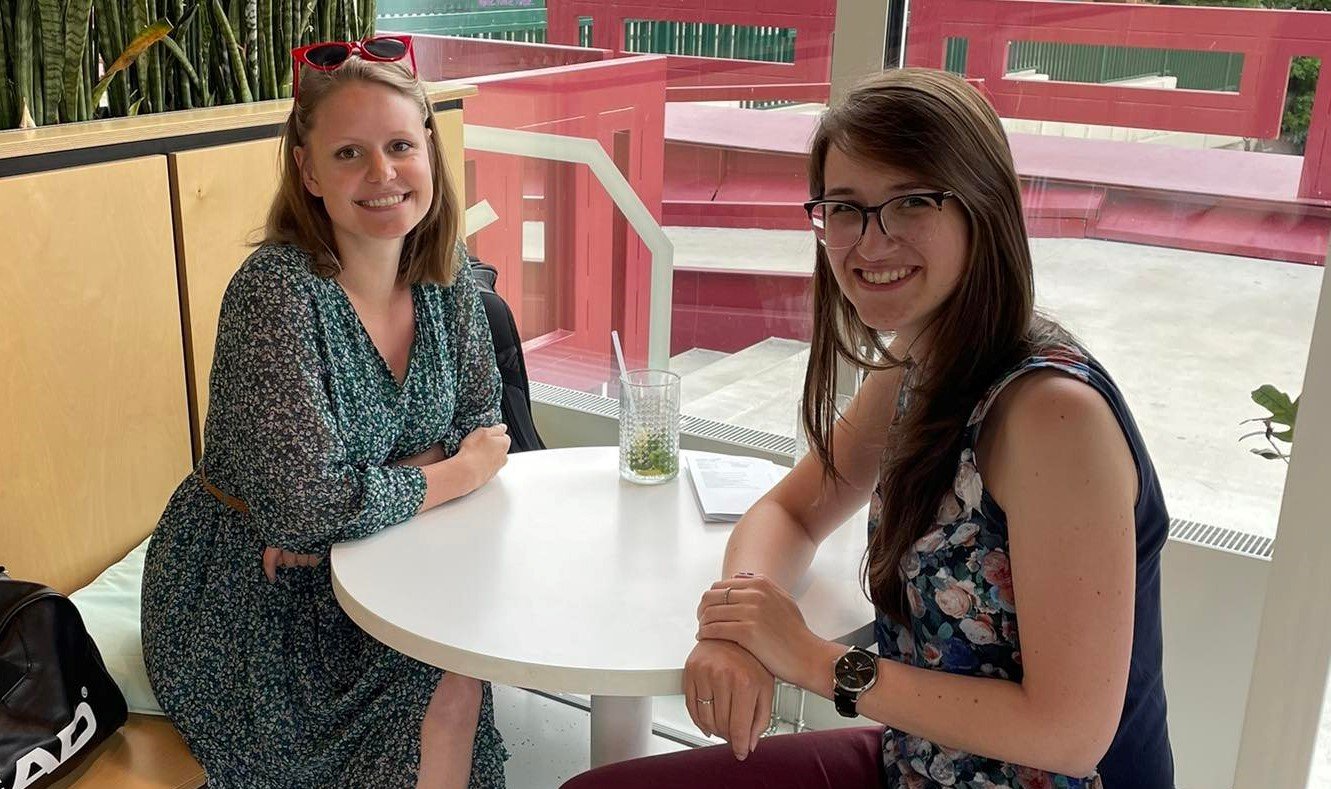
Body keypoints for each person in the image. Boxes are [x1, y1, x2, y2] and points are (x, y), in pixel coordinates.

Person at [562, 68, 1174, 789]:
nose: (869, 242)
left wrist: (809, 658)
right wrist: (741, 620)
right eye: (845, 208)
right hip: (917, 766)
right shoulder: (923, 360)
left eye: (911, 202)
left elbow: (1068, 733)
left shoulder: (1052, 415)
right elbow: (793, 510)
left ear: (984, 207)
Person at [142, 36, 511, 789]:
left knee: (456, 670)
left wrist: (353, 504)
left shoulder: (445, 275)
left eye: (400, 145)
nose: (382, 174)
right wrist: (451, 471)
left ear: (428, 150)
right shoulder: (276, 291)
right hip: (253, 592)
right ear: (308, 171)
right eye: (349, 154)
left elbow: (484, 430)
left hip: (388, 551)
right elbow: (306, 510)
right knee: (426, 690)